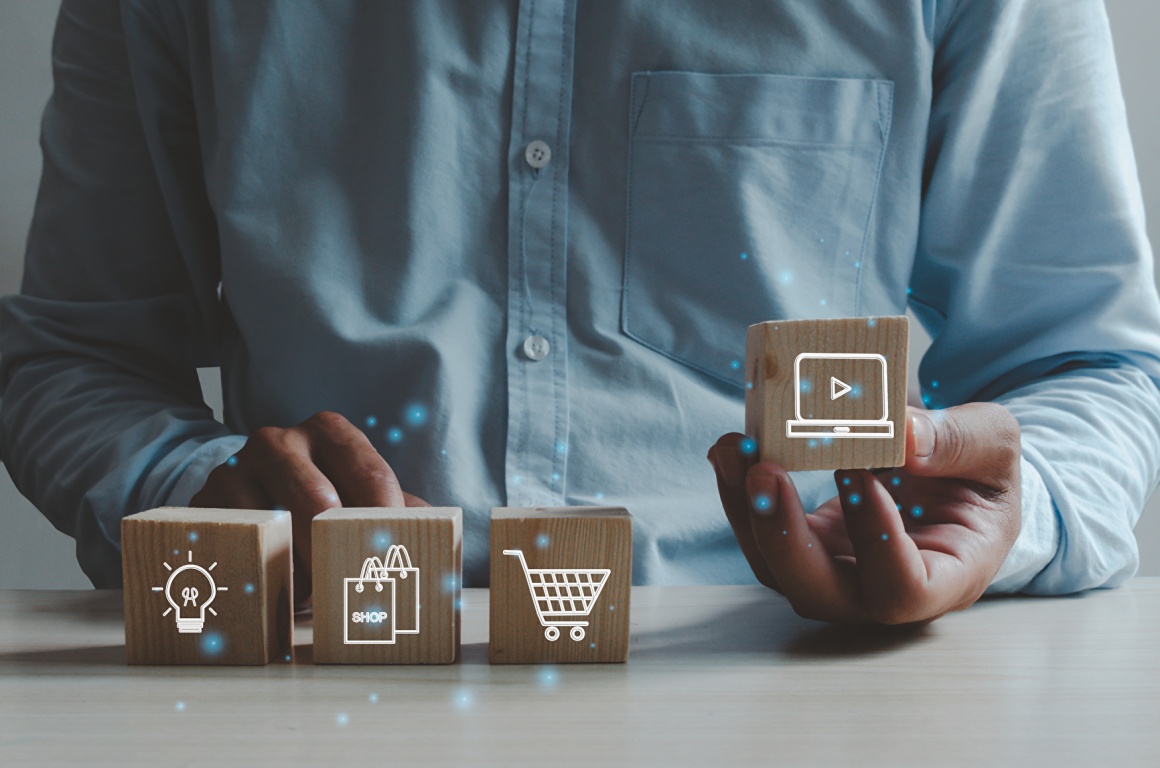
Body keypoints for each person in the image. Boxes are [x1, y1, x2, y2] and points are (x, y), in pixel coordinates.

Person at [3, 0, 1159, 623]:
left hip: (809, 675)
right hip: (323, 677)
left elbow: (1092, 369)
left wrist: (1007, 517)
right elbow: (68, 355)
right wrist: (192, 498)